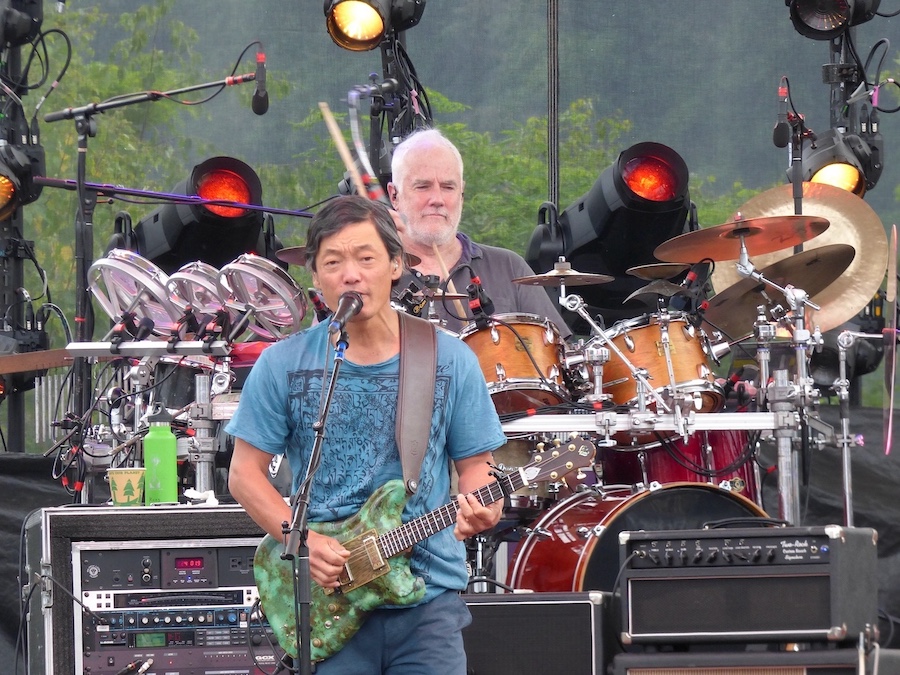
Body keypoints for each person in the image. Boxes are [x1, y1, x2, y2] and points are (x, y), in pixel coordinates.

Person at [226, 195, 508, 674]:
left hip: (426, 602)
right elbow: (244, 475)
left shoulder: (448, 358)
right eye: (333, 262)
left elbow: (477, 467)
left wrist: (485, 506)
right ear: (315, 277)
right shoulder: (282, 364)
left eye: (366, 258)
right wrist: (303, 540)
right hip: (328, 598)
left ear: (396, 265)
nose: (350, 275)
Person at [387, 128, 572, 339]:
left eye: (448, 187)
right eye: (422, 186)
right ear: (394, 195)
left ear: (462, 194)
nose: (437, 199)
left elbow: (557, 353)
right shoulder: (373, 273)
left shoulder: (509, 267)